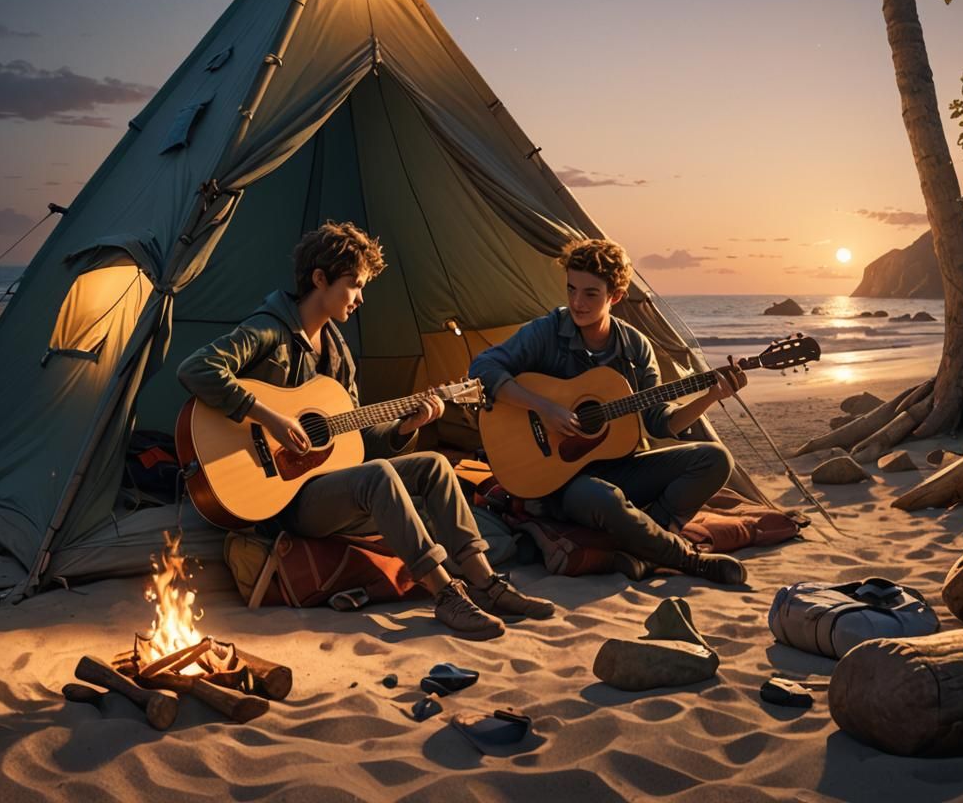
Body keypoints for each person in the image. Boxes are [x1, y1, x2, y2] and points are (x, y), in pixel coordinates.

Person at [178, 221, 553, 639]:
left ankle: (486, 583)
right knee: (378, 477)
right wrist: (271, 418)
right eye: (354, 285)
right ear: (319, 279)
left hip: (323, 487)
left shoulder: (339, 355)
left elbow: (354, 443)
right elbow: (196, 368)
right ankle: (444, 593)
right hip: (276, 499)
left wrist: (404, 427)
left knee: (433, 464)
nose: (359, 298)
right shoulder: (268, 328)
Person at [469, 237, 749, 585]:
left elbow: (659, 422)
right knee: (603, 496)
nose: (576, 302)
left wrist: (709, 397)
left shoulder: (635, 347)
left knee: (716, 459)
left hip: (620, 469)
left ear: (614, 297)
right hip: (561, 483)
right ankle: (686, 559)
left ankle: (644, 550)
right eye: (571, 289)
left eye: (590, 294)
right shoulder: (547, 331)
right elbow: (483, 367)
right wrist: (546, 407)